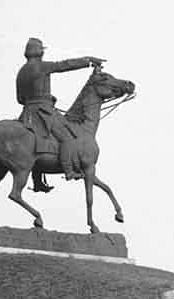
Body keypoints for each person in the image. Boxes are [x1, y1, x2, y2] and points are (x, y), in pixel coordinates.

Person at [16, 37, 105, 191]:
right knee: (68, 137)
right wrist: (88, 61)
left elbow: (19, 99)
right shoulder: (42, 66)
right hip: (44, 112)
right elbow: (65, 65)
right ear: (39, 52)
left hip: (27, 114)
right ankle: (69, 171)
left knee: (37, 143)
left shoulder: (21, 72)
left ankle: (37, 181)